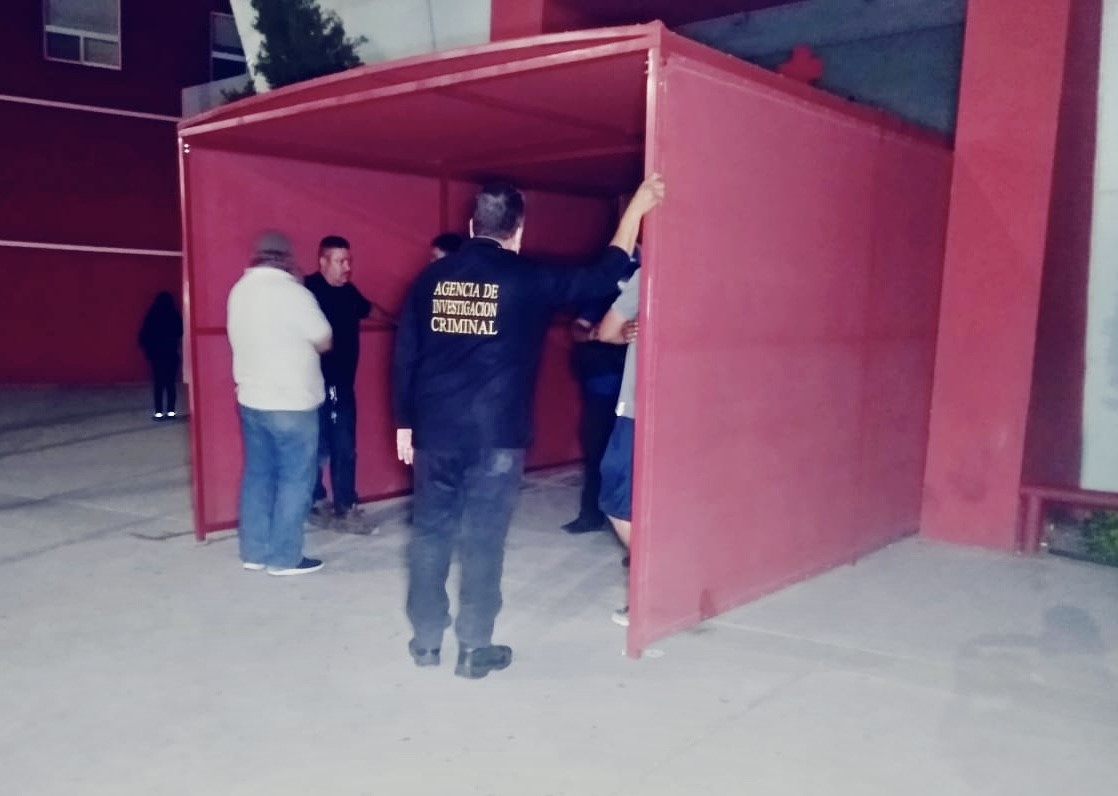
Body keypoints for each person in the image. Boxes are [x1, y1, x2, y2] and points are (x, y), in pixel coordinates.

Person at [392, 174, 663, 679]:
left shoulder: (430, 279)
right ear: (517, 231)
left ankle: (426, 641)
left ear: (472, 225)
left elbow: (405, 353)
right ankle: (474, 649)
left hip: (436, 431)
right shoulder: (528, 277)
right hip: (497, 437)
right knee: (483, 539)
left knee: (429, 533)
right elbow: (604, 275)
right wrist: (637, 210)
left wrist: (405, 424)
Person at [227, 230, 333, 576]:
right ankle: (285, 558)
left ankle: (254, 552)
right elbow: (324, 339)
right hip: (292, 403)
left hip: (251, 400)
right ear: (287, 258)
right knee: (295, 479)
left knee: (257, 475)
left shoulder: (239, 291)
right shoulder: (294, 293)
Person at [304, 235, 374, 533]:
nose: (347, 267)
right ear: (323, 262)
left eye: (349, 260)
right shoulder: (307, 290)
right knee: (316, 445)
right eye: (340, 261)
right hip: (313, 384)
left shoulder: (349, 292)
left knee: (345, 445)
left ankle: (346, 504)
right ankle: (316, 501)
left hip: (342, 384)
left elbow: (368, 309)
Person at [560, 286, 628, 534]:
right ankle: (592, 514)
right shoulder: (603, 294)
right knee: (596, 452)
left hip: (633, 390)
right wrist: (599, 334)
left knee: (627, 457)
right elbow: (578, 329)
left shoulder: (647, 294)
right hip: (602, 388)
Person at [596, 267, 643, 626]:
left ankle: (656, 582)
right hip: (695, 413)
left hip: (639, 409)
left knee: (616, 498)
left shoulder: (651, 275)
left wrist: (626, 333)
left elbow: (607, 331)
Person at [137, 291, 183, 421]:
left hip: (157, 355)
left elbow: (143, 335)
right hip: (171, 353)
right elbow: (180, 331)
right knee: (170, 384)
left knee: (158, 384)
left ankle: (158, 412)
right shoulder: (174, 315)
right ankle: (171, 411)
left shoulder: (152, 315)